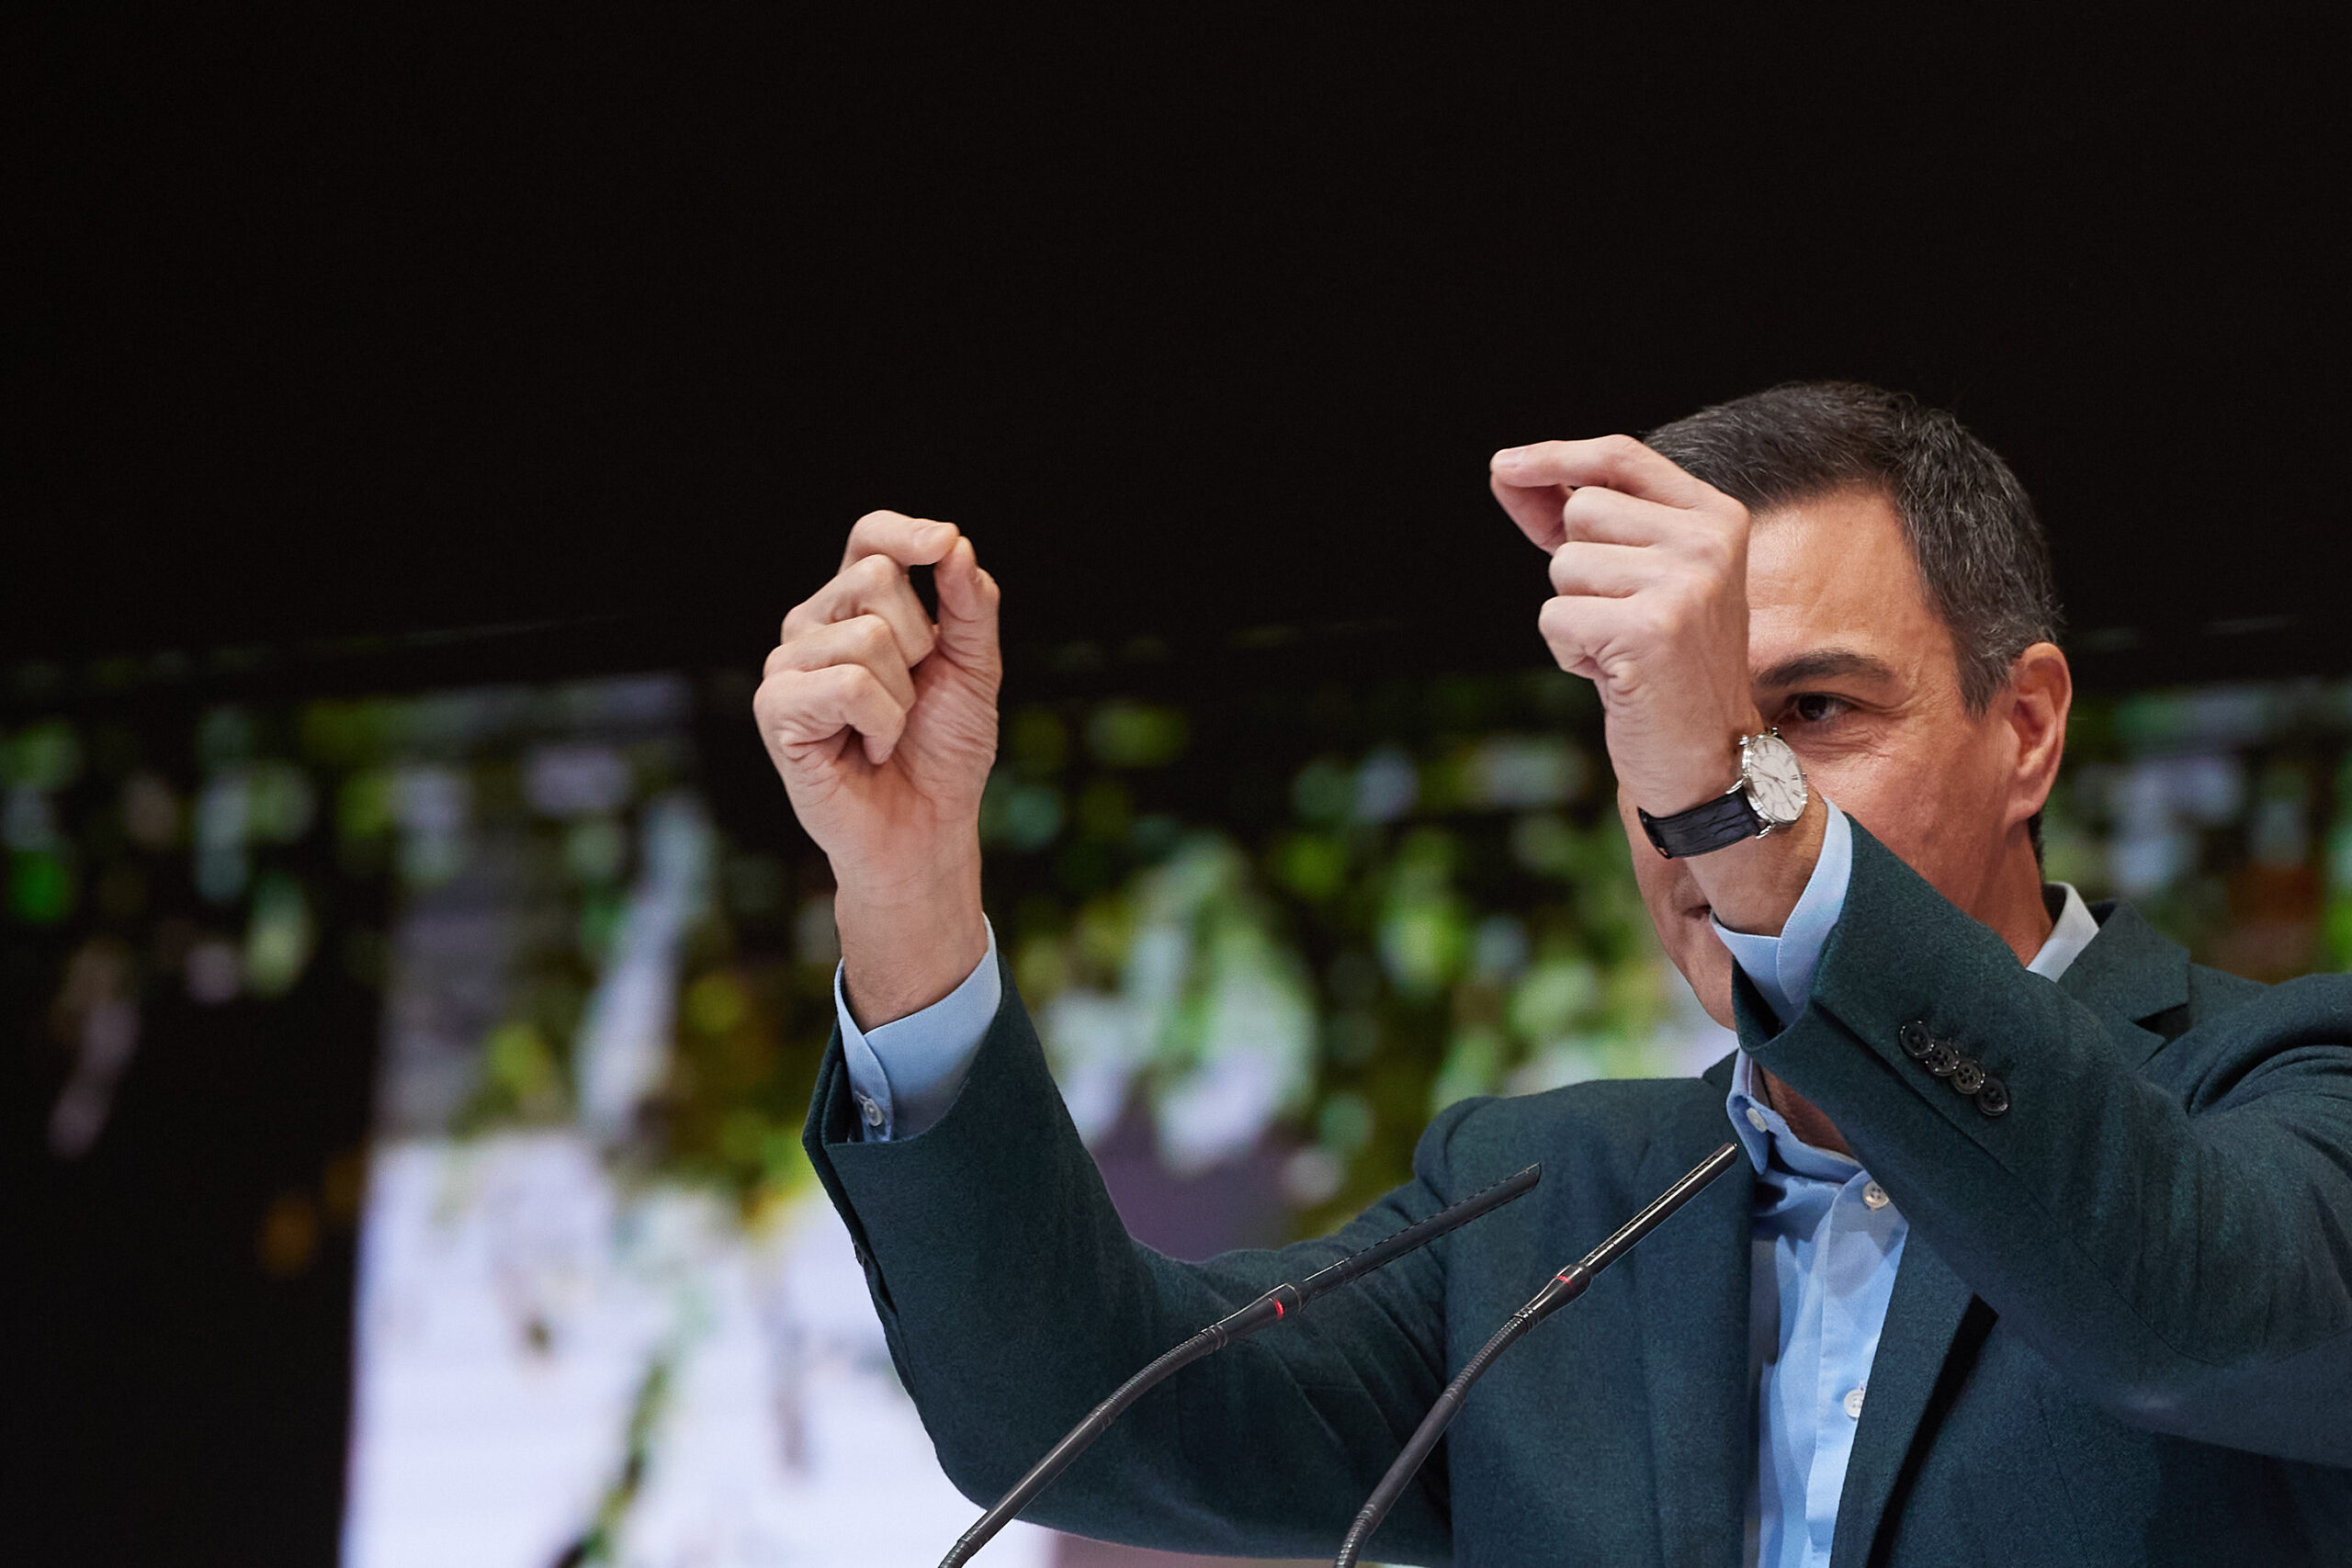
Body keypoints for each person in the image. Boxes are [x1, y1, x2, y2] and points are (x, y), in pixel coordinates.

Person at [755, 383, 2352, 1566]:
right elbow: (1070, 1418)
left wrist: (1737, 798)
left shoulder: (2283, 1095)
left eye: (1810, 714)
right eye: (1665, 725)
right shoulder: (1540, 1206)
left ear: (2029, 730)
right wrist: (908, 888)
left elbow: (2187, 1317)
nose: (1690, 801)